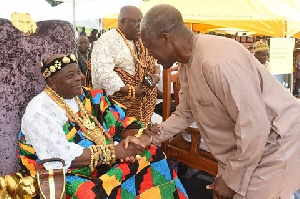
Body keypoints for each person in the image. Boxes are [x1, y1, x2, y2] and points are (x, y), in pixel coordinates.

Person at [135, 4, 300, 199]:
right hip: (246, 150)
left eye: (149, 47)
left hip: (273, 146)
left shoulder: (218, 63)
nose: (149, 55)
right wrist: (148, 138)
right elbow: (185, 113)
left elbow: (254, 127)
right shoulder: (187, 63)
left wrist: (232, 179)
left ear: (165, 39)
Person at [18, 53, 188, 198]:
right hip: (64, 172)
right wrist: (116, 152)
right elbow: (59, 158)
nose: (79, 78)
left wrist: (138, 136)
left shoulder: (90, 96)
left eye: (78, 72)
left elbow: (119, 124)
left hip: (105, 158)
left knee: (152, 153)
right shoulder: (40, 111)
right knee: (90, 193)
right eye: (70, 76)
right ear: (52, 82)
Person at [91, 6, 160, 126]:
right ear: (122, 22)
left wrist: (156, 76)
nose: (140, 25)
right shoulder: (108, 40)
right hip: (117, 106)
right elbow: (102, 73)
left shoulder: (142, 40)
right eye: (136, 22)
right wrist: (131, 90)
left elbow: (155, 61)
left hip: (144, 103)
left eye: (142, 22)